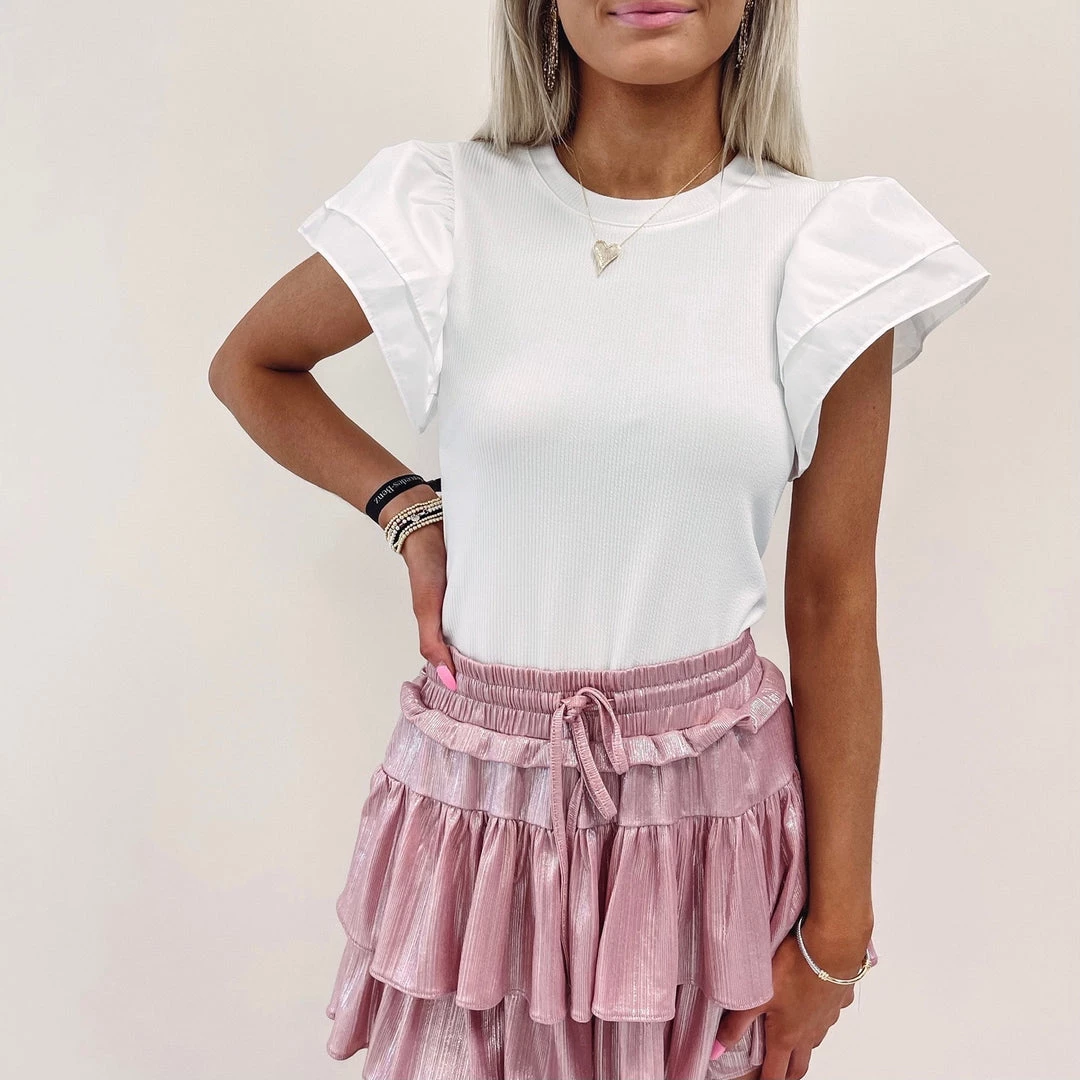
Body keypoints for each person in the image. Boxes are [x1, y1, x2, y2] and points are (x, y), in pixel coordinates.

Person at [208, 2, 990, 1077]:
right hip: (475, 821)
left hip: (708, 836)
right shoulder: (444, 205)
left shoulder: (831, 248)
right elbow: (253, 367)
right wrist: (410, 512)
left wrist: (838, 935)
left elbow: (833, 597)